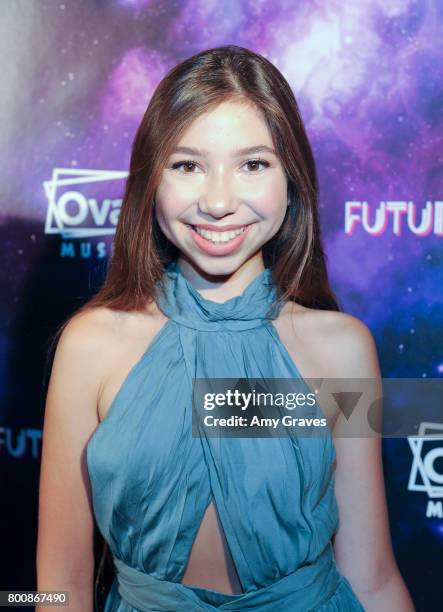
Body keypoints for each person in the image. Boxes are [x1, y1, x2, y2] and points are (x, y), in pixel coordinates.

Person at [36, 45, 415, 611]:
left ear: (292, 177)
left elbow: (372, 575)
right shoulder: (91, 345)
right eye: (188, 165)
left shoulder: (341, 349)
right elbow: (58, 584)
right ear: (151, 180)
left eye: (253, 164)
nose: (217, 201)